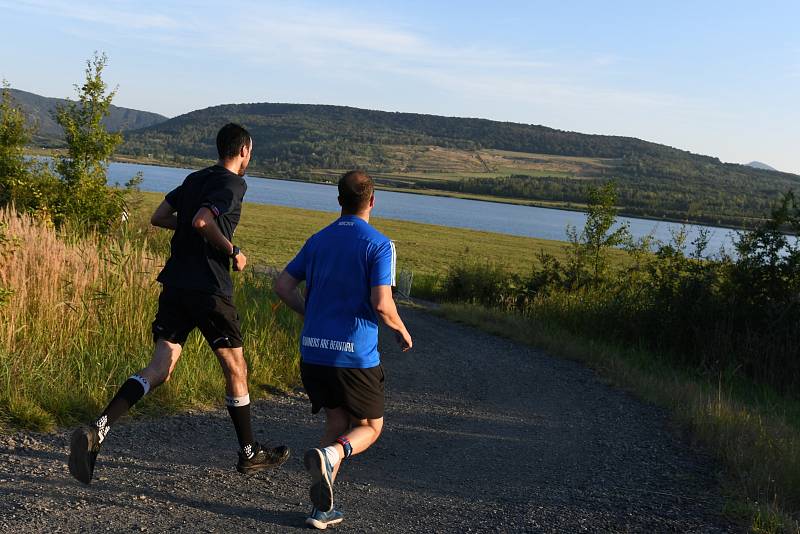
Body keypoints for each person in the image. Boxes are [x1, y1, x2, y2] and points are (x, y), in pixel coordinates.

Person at [68, 123, 290, 485]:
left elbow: (160, 217)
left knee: (160, 367)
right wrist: (231, 249)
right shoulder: (234, 183)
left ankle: (98, 428)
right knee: (236, 366)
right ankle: (249, 453)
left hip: (175, 285)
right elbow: (204, 220)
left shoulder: (193, 179)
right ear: (244, 151)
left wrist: (189, 228)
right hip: (209, 289)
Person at [274, 169, 413, 529]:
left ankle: (321, 510)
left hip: (313, 353)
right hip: (354, 357)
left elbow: (283, 286)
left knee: (337, 420)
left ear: (339, 200)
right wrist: (400, 329)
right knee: (370, 426)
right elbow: (382, 303)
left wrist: (311, 313)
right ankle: (333, 453)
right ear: (372, 200)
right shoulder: (379, 245)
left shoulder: (317, 240)